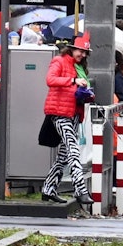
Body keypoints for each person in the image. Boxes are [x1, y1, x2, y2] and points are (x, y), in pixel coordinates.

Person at [40, 34, 94, 206]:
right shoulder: (59, 61)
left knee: (64, 155)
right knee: (73, 150)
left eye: (85, 52)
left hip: (74, 113)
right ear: (71, 48)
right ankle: (80, 189)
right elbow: (50, 79)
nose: (82, 55)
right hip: (60, 113)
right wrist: (73, 81)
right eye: (80, 51)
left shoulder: (78, 66)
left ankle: (48, 188)